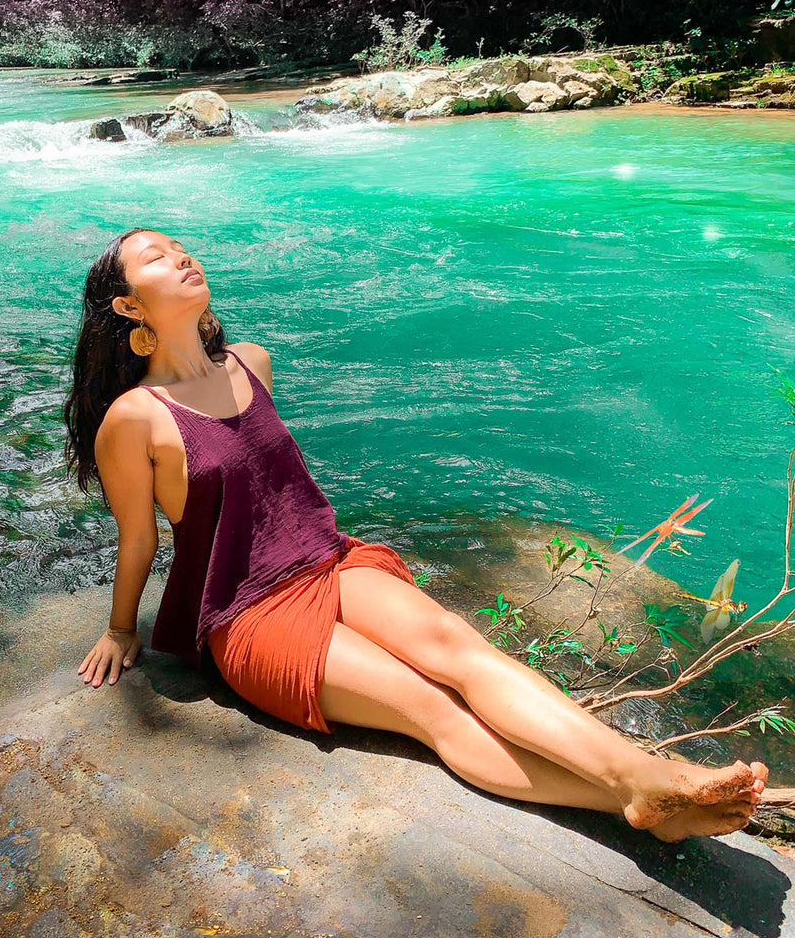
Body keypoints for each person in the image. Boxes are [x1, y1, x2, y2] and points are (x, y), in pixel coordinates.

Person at [63, 227, 768, 842]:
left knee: (460, 649)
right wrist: (122, 628)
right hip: (249, 616)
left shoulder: (252, 360)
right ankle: (638, 796)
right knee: (431, 709)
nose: (182, 257)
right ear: (128, 307)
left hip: (329, 564)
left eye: (181, 247)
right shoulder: (134, 419)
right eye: (157, 257)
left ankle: (646, 780)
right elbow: (141, 541)